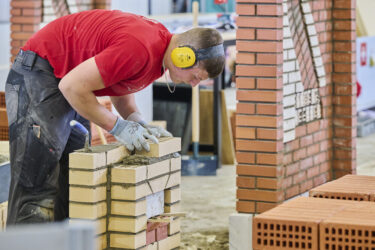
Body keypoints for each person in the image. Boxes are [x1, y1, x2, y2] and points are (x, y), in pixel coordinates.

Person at [5, 9, 225, 224]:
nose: (195, 84)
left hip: (63, 81)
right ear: (184, 56)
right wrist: (118, 127)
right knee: (37, 188)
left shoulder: (158, 56)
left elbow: (121, 88)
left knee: (74, 179)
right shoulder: (141, 47)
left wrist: (136, 121)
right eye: (196, 76)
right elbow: (72, 86)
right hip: (40, 74)